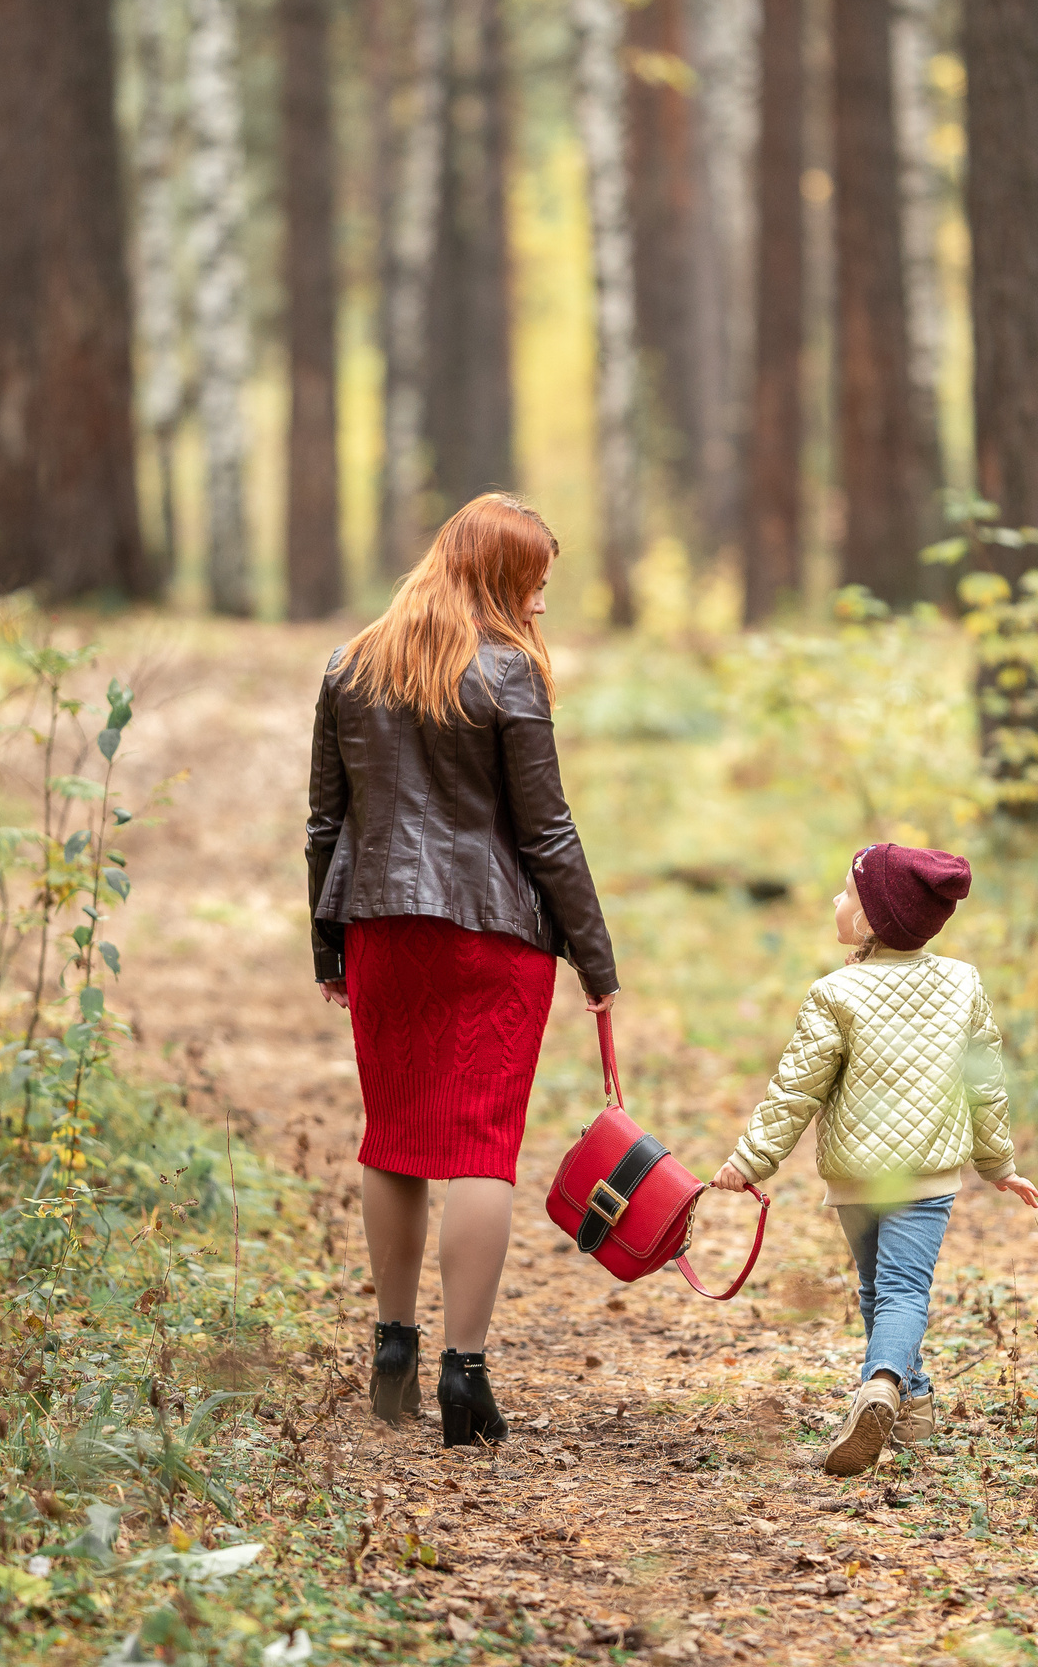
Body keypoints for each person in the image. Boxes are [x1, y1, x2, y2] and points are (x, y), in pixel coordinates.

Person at [306, 493, 618, 1448]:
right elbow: (547, 830)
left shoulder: (350, 663)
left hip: (382, 929)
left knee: (394, 1133)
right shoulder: (509, 674)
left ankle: (392, 1350)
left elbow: (326, 823)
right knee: (481, 1144)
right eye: (534, 585)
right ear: (502, 577)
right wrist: (595, 960)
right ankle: (465, 1373)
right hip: (494, 935)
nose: (540, 605)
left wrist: (330, 945)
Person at [714, 843, 1038, 1477]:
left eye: (844, 894)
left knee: (879, 1290)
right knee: (900, 1291)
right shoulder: (962, 983)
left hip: (856, 1177)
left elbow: (795, 1091)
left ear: (868, 922)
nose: (834, 901)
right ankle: (902, 1392)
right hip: (928, 1175)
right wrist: (998, 1164)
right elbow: (985, 1083)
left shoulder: (835, 992)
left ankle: (886, 1384)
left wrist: (750, 1160)